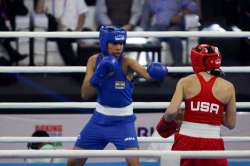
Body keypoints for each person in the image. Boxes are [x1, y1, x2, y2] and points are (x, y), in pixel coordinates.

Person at [67, 25, 168, 166]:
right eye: (114, 43)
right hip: (99, 120)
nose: (118, 47)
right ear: (104, 43)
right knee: (73, 162)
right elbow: (85, 94)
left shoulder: (127, 61)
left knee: (134, 164)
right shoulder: (94, 61)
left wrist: (157, 72)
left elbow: (147, 75)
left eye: (121, 43)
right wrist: (99, 74)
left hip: (123, 122)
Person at [156, 44, 236, 166]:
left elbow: (171, 112)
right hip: (213, 142)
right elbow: (231, 123)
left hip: (186, 140)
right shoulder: (228, 87)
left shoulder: (185, 81)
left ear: (197, 60)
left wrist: (165, 123)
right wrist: (210, 111)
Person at [140, 0, 199, 66]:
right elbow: (145, 17)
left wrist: (180, 14)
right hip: (158, 27)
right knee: (152, 40)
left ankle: (178, 68)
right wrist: (145, 32)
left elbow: (194, 7)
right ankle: (153, 68)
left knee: (174, 37)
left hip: (173, 26)